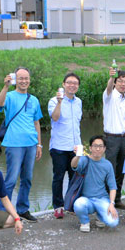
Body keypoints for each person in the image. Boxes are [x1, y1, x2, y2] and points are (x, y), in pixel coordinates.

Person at [0, 67, 43, 223]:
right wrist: (5, 86)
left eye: (26, 78)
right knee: (10, 179)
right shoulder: (9, 96)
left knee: (27, 178)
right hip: (14, 143)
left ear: (30, 80)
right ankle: (4, 212)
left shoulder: (34, 100)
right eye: (21, 78)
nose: (24, 81)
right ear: (16, 79)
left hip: (31, 143)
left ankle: (22, 209)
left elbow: (36, 123)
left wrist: (39, 145)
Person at [48, 73, 82, 219]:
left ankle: (71, 203)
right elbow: (54, 117)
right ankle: (58, 206)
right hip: (59, 146)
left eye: (75, 83)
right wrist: (60, 102)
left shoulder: (79, 102)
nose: (72, 85)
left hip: (75, 146)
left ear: (78, 86)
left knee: (75, 177)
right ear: (63, 84)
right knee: (58, 177)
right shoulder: (54, 101)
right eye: (69, 82)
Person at [71, 135, 120, 233]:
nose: (98, 148)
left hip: (102, 199)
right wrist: (77, 156)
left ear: (104, 148)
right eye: (95, 146)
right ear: (90, 148)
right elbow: (73, 165)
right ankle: (84, 222)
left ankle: (100, 216)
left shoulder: (107, 164)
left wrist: (111, 203)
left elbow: (112, 187)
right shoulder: (84, 160)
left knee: (113, 222)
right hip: (86, 199)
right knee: (78, 204)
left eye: (101, 146)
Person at [103, 67, 125, 210]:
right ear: (115, 82)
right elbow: (108, 89)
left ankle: (116, 199)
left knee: (121, 169)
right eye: (120, 81)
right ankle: (105, 200)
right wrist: (111, 77)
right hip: (111, 138)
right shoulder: (109, 96)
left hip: (123, 138)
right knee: (109, 169)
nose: (123, 84)